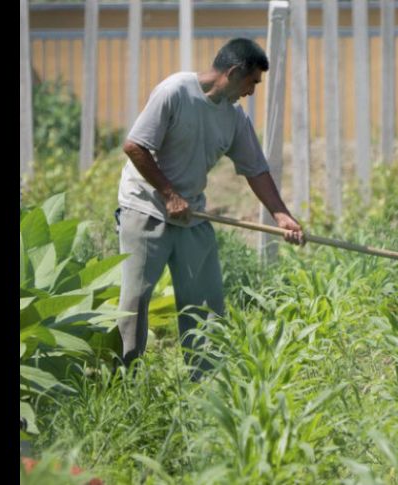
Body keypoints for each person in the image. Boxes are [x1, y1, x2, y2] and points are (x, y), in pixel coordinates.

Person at [116, 38, 304, 381]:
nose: (251, 92)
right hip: (145, 207)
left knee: (205, 305)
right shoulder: (175, 91)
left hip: (191, 215)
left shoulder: (233, 118)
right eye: (251, 83)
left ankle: (207, 385)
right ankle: (124, 382)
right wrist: (169, 194)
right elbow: (136, 146)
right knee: (135, 301)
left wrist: (281, 214)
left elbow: (256, 169)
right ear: (233, 73)